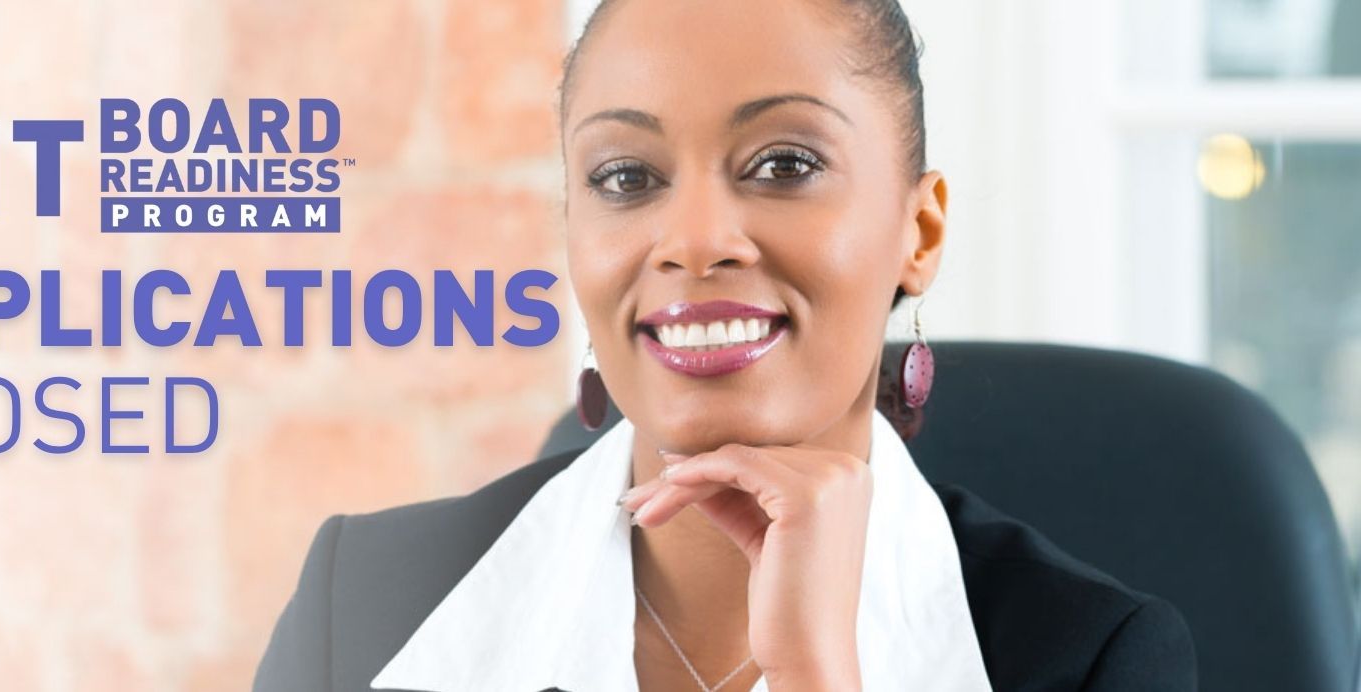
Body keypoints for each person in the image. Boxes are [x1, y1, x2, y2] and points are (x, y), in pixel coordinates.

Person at [256, 0, 1198, 689]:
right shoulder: (365, 610)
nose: (695, 237)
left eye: (784, 165)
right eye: (626, 176)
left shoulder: (1090, 661)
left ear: (920, 231)